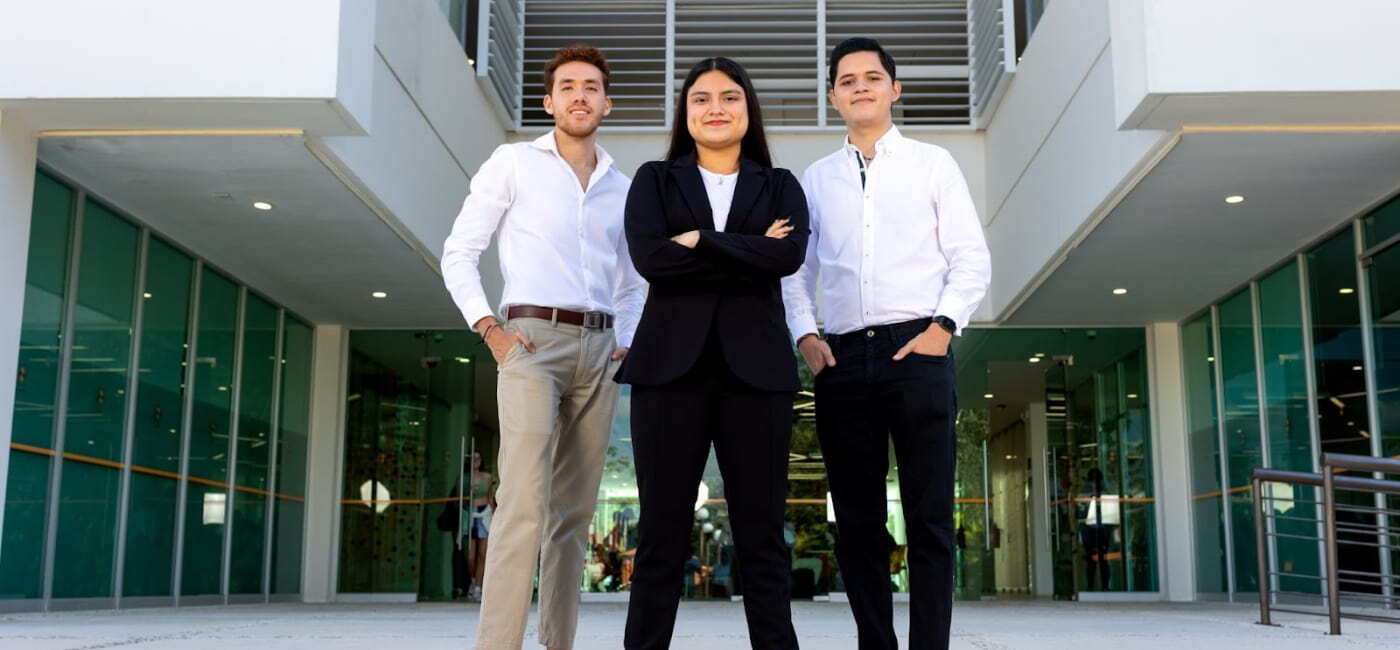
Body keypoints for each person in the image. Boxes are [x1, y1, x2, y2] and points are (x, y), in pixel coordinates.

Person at [783, 37, 991, 650]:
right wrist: (806, 334)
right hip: (843, 359)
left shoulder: (933, 164)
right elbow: (798, 270)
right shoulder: (816, 179)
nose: (860, 87)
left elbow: (970, 260)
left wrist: (942, 328)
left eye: (872, 77)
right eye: (847, 80)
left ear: (894, 90)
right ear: (833, 97)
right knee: (857, 522)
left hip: (917, 350)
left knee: (928, 520)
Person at [441, 43, 644, 650]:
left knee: (573, 518)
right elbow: (459, 253)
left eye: (591, 87)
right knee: (522, 504)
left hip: (600, 351)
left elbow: (635, 283)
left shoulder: (623, 186)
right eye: (568, 87)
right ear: (548, 101)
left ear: (607, 103)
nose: (580, 96)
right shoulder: (512, 163)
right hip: (531, 344)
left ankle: (560, 643)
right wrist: (490, 330)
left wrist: (626, 343)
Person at [616, 56, 809, 650]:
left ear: (747, 111)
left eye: (729, 97)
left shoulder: (780, 185)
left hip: (758, 376)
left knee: (762, 537)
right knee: (661, 534)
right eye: (701, 98)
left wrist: (699, 240)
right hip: (669, 372)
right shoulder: (653, 179)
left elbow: (788, 258)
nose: (715, 108)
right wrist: (747, 249)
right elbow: (652, 260)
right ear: (686, 112)